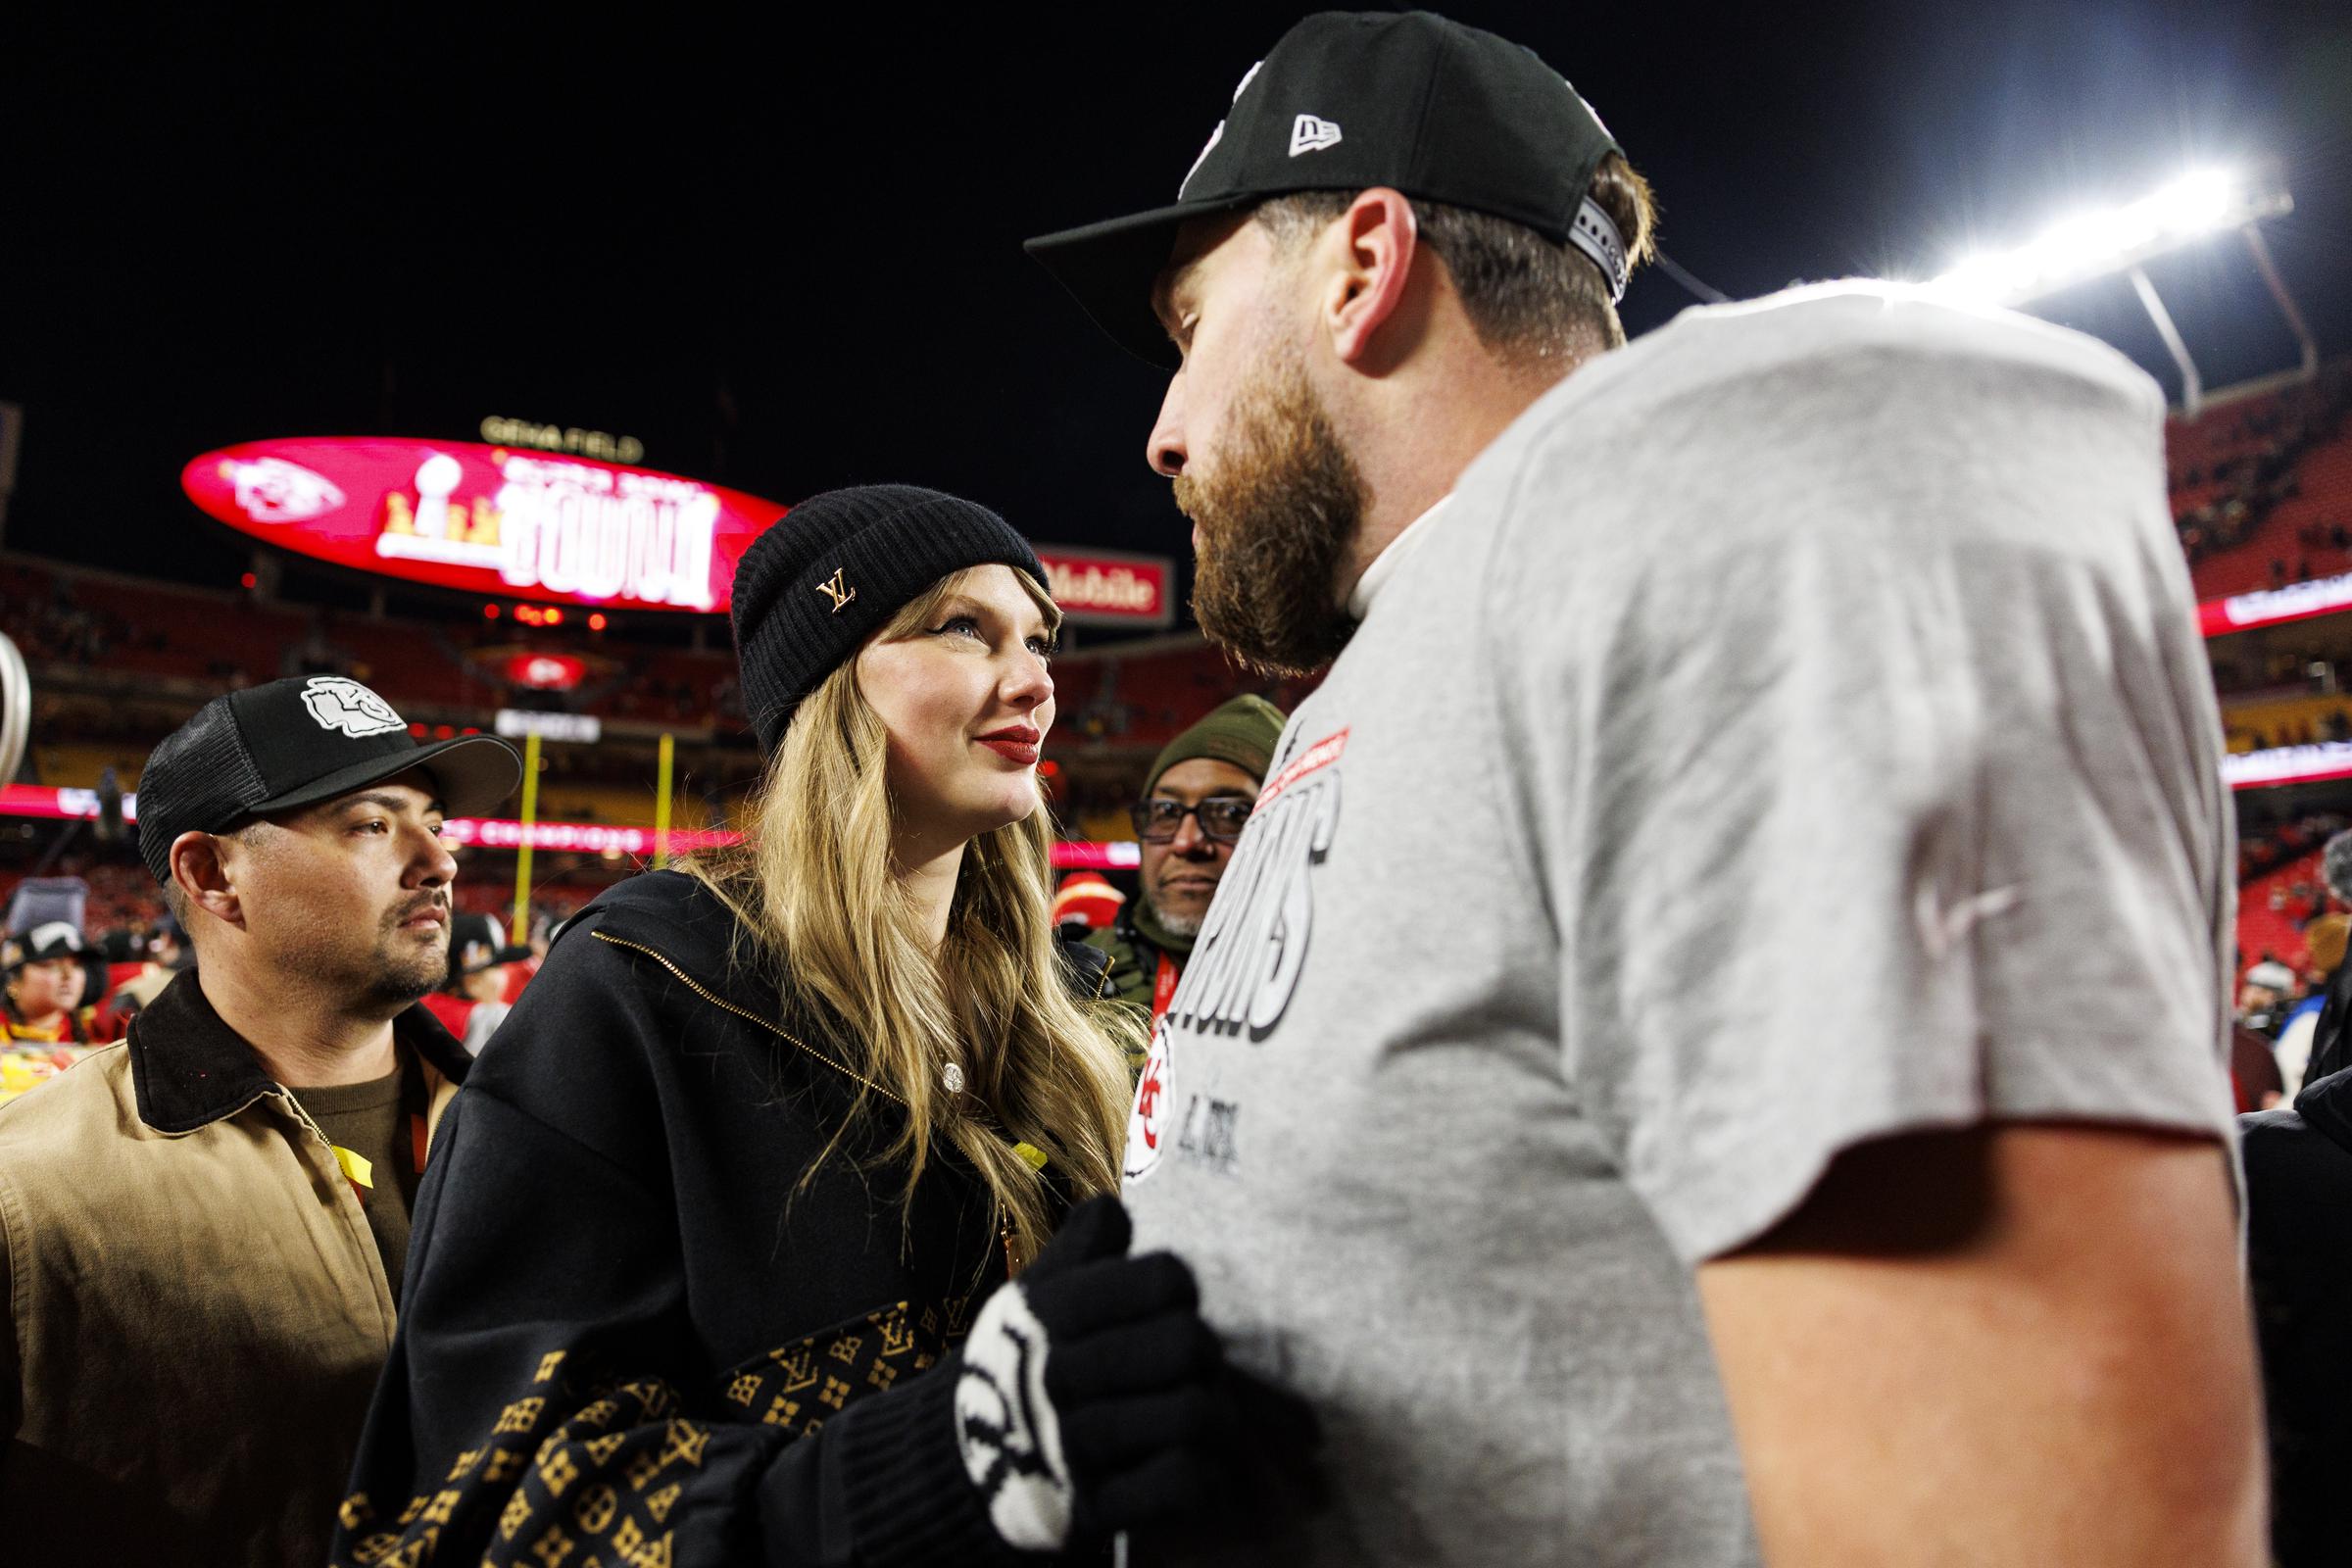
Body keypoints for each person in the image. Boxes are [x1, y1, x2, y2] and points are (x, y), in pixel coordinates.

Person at [1027, 11, 2263, 1564]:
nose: (1164, 431)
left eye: (1196, 326)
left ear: (1363, 264)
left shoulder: (1697, 505)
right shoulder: (1423, 631)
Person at [335, 487, 1285, 1568]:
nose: (1035, 681)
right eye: (963, 628)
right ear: (829, 687)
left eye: (1040, 640)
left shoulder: (1059, 1026)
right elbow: (487, 1506)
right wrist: (941, 1463)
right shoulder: (640, 990)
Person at [0, 674, 519, 1565]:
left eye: (435, 823)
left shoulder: (533, 1129)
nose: (439, 863)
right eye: (370, 823)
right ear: (211, 874)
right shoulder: (31, 1191)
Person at [1087, 694, 1284, 1051]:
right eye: (1166, 810)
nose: (1187, 841)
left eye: (1230, 814)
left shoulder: (1329, 987)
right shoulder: (1076, 984)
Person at [0, 921, 107, 1044]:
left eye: (77, 965)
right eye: (51, 965)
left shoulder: (98, 1030)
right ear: (13, 980)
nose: (68, 975)